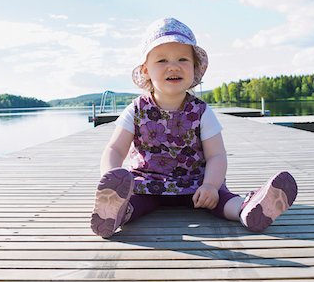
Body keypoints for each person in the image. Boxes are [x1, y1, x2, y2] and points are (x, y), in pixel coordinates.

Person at [90, 18, 297, 238]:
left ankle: (247, 210)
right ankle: (115, 211)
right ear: (146, 70)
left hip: (196, 185)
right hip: (148, 184)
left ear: (194, 68)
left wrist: (210, 185)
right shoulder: (136, 110)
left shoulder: (200, 111)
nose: (173, 66)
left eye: (182, 59)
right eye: (162, 60)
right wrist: (113, 175)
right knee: (134, 202)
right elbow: (115, 149)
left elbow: (216, 155)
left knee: (220, 199)